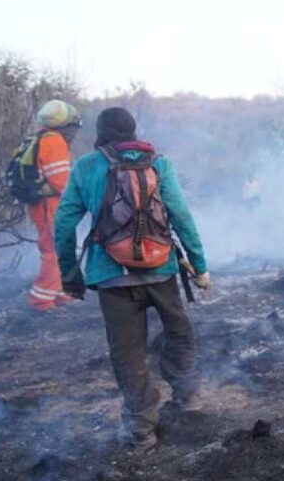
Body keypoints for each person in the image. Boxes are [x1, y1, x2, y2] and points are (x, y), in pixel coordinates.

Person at [54, 108, 210, 453]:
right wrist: (199, 266)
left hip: (111, 277)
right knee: (179, 331)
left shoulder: (85, 167)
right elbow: (181, 215)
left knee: (128, 352)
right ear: (132, 130)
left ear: (100, 133)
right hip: (161, 268)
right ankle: (189, 397)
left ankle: (142, 432)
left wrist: (70, 275)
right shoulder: (158, 164)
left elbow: (64, 224)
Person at [24, 100, 81, 311]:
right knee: (54, 249)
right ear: (65, 125)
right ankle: (41, 300)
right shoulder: (55, 142)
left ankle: (60, 292)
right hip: (50, 205)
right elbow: (61, 182)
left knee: (55, 246)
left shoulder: (40, 139)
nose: (74, 133)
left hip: (42, 203)